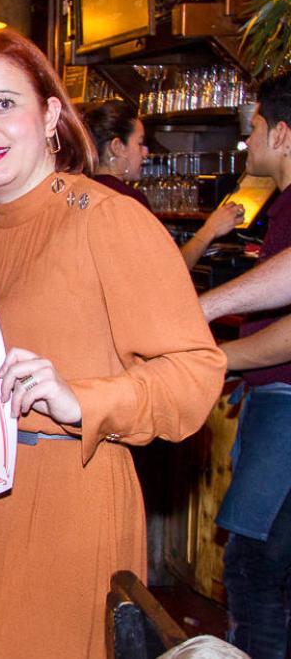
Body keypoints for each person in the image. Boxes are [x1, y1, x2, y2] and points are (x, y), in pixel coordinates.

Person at [0, 29, 224, 657]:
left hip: (62, 504)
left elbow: (194, 375)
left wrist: (82, 398)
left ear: (52, 114)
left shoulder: (108, 218)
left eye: (4, 104)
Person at [202, 72, 291, 659]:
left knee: (257, 572)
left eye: (253, 128)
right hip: (271, 399)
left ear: (281, 133)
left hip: (285, 409)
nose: (247, 142)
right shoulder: (281, 204)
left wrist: (212, 355)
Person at [83, 99, 243, 267]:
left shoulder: (82, 190)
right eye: (139, 143)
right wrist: (210, 230)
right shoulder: (127, 199)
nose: (145, 153)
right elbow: (168, 270)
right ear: (117, 147)